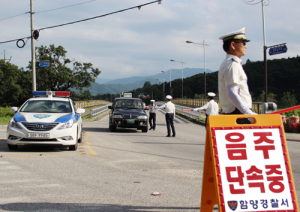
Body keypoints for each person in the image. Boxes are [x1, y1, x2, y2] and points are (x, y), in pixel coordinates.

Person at [218, 27, 257, 124]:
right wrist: (247, 113)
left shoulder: (227, 63)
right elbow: (232, 92)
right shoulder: (232, 64)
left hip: (236, 113)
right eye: (243, 43)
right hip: (239, 114)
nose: (245, 46)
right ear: (233, 45)